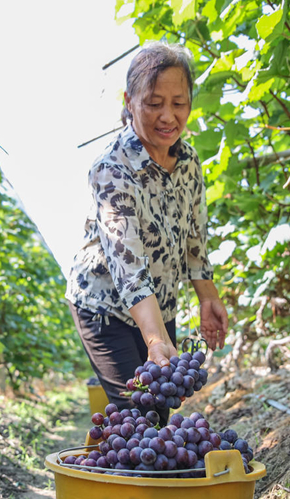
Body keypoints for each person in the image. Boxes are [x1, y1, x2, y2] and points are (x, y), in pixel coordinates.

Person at [66, 42, 228, 421]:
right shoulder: (112, 169)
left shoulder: (188, 162)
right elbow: (128, 266)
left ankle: (111, 465)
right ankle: (106, 474)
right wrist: (155, 339)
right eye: (154, 103)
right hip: (105, 307)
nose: (168, 116)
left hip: (158, 304)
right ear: (129, 100)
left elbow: (194, 238)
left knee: (160, 408)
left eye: (179, 103)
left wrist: (208, 298)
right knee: (139, 415)